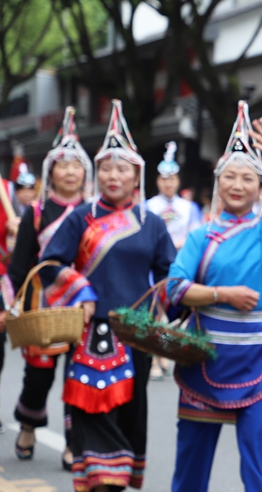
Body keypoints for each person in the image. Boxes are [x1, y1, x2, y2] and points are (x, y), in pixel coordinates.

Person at [38, 99, 176, 492]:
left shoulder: (151, 223)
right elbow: (50, 264)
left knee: (131, 414)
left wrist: (181, 310)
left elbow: (169, 276)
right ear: (96, 173)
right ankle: (104, 483)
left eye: (122, 168)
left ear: (137, 175)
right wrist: (81, 290)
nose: (113, 175)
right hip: (90, 332)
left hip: (137, 333)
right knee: (94, 416)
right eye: (106, 168)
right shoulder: (81, 216)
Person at [164, 101, 262, 492]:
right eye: (229, 176)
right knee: (191, 466)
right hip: (204, 355)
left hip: (260, 358)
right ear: (218, 183)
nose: (237, 184)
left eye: (248, 178)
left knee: (261, 464)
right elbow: (175, 287)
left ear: (261, 186)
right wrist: (223, 294)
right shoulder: (200, 235)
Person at [10, 107, 90, 471]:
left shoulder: (95, 211)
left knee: (80, 377)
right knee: (39, 376)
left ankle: (75, 442)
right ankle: (28, 425)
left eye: (77, 166)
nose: (70, 172)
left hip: (84, 306)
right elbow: (19, 266)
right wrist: (10, 306)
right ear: (51, 171)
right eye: (63, 165)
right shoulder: (37, 212)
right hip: (43, 305)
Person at [146, 141, 202, 380]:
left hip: (182, 264)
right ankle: (154, 358)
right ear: (157, 181)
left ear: (178, 180)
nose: (168, 183)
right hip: (155, 264)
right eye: (163, 178)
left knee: (178, 312)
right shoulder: (148, 206)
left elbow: (196, 236)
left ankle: (168, 353)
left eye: (172, 178)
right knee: (155, 312)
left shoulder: (189, 207)